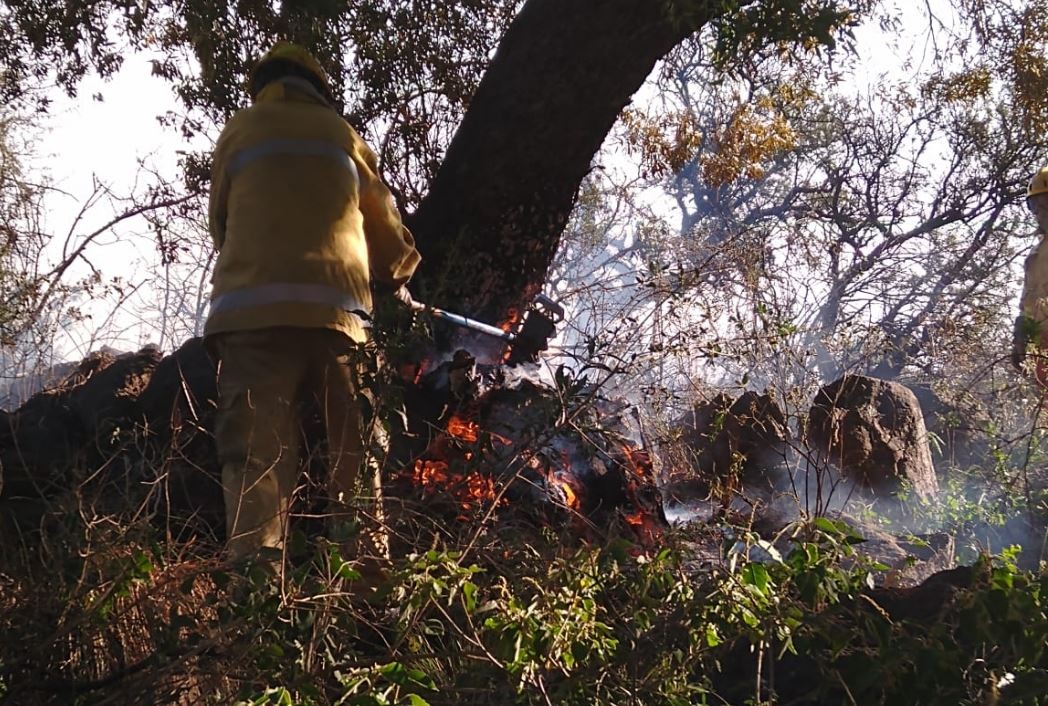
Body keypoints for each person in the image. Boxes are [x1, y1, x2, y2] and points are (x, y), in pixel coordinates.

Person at [205, 42, 420, 563]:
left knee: (256, 464)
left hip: (252, 322)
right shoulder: (342, 136)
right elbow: (387, 234)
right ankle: (367, 595)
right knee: (357, 461)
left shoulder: (239, 131)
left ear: (263, 87)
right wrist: (400, 275)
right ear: (319, 89)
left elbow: (221, 226)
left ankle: (257, 595)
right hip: (341, 323)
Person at [1014, 165, 1048, 385]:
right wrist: (1021, 332)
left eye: (1046, 205)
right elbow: (1029, 301)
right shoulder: (1036, 256)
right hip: (1042, 349)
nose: (1041, 213)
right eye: (1036, 206)